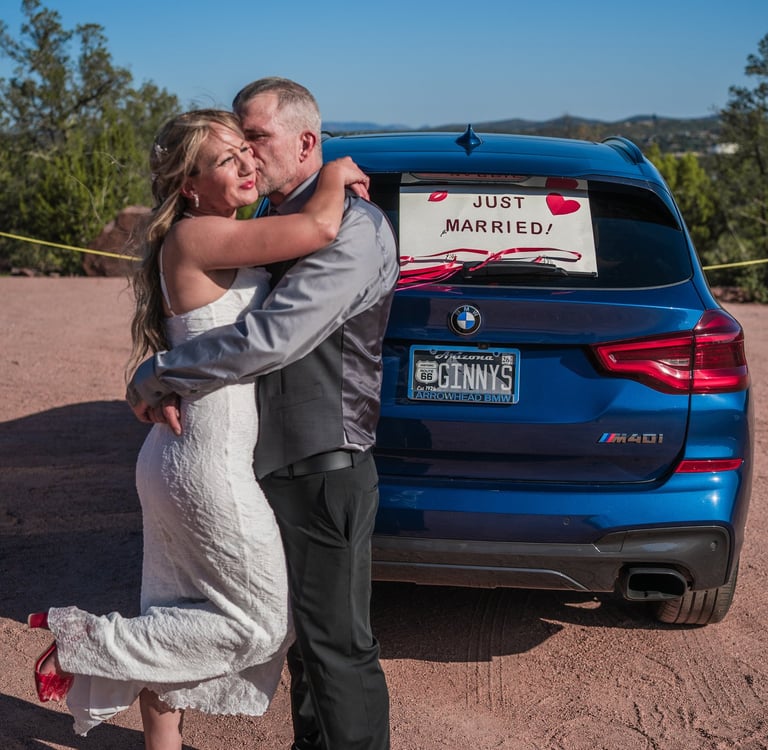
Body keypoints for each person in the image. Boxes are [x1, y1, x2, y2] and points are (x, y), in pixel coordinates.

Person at [29, 108, 372, 749]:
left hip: (182, 455)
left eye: (246, 150)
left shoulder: (221, 233)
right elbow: (322, 225)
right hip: (205, 462)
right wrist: (333, 170)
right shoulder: (199, 236)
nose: (245, 164)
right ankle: (84, 640)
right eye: (226, 159)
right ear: (190, 185)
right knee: (265, 623)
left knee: (176, 615)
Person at [126, 78, 398, 750]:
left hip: (319, 463)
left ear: (306, 142)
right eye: (234, 144)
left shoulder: (352, 226)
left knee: (332, 646)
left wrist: (159, 372)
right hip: (250, 462)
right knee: (303, 645)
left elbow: (270, 339)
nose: (247, 153)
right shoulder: (256, 226)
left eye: (256, 138)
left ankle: (104, 646)